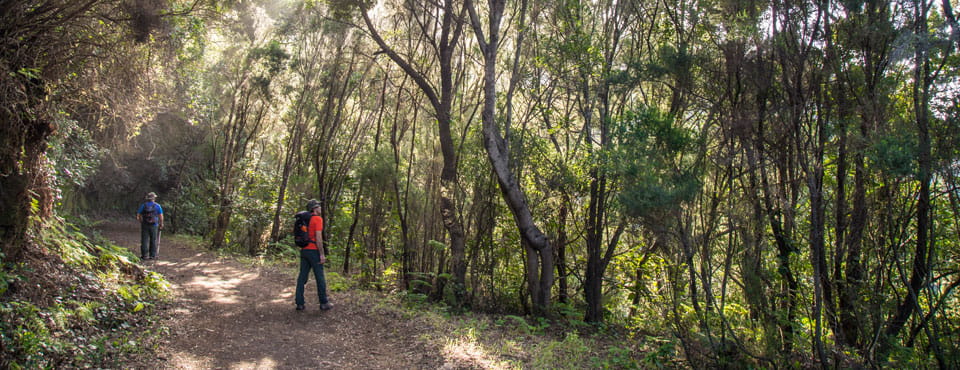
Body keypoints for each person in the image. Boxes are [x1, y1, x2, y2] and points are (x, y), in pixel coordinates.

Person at [295, 199, 332, 311]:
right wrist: (321, 254)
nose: (320, 208)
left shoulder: (305, 220)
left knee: (302, 277)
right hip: (313, 251)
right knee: (320, 277)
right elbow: (319, 238)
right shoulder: (317, 219)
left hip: (304, 251)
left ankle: (299, 303)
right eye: (319, 207)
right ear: (315, 209)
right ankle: (323, 302)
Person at [136, 192, 164, 260]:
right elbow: (161, 216)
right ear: (154, 198)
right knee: (153, 240)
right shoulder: (158, 206)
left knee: (144, 240)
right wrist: (161, 223)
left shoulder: (143, 205)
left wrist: (141, 221)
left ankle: (144, 255)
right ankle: (152, 255)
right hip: (154, 225)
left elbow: (138, 215)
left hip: (145, 224)